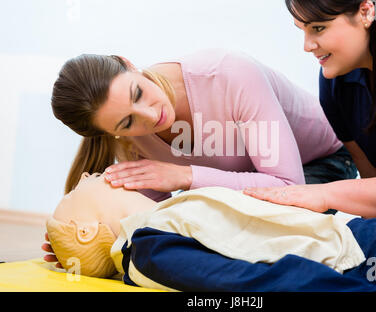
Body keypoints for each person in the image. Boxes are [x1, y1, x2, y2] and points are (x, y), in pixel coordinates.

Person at [44, 48, 357, 266]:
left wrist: (186, 176)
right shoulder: (129, 143)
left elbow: (289, 187)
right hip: (251, 190)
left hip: (319, 165)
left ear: (128, 63)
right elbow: (152, 218)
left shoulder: (227, 73)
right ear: (111, 132)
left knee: (241, 241)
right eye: (127, 123)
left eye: (138, 93)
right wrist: (81, 245)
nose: (150, 116)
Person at [245, 0, 376, 235]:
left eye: (318, 28)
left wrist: (323, 193)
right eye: (302, 29)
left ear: (366, 12)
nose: (307, 46)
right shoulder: (335, 81)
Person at [45, 172, 376, 291]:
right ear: (85, 232)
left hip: (362, 239)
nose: (87, 174)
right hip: (364, 262)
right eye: (86, 184)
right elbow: (254, 283)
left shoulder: (162, 222)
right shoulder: (149, 249)